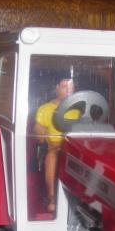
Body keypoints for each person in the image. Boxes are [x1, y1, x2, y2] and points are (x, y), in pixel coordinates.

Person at [33, 78, 80, 213]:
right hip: (54, 147)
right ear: (57, 88)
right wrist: (39, 130)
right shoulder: (45, 109)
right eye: (64, 86)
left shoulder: (79, 109)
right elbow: (39, 137)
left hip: (76, 146)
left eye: (71, 87)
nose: (68, 90)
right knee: (53, 154)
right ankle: (52, 198)